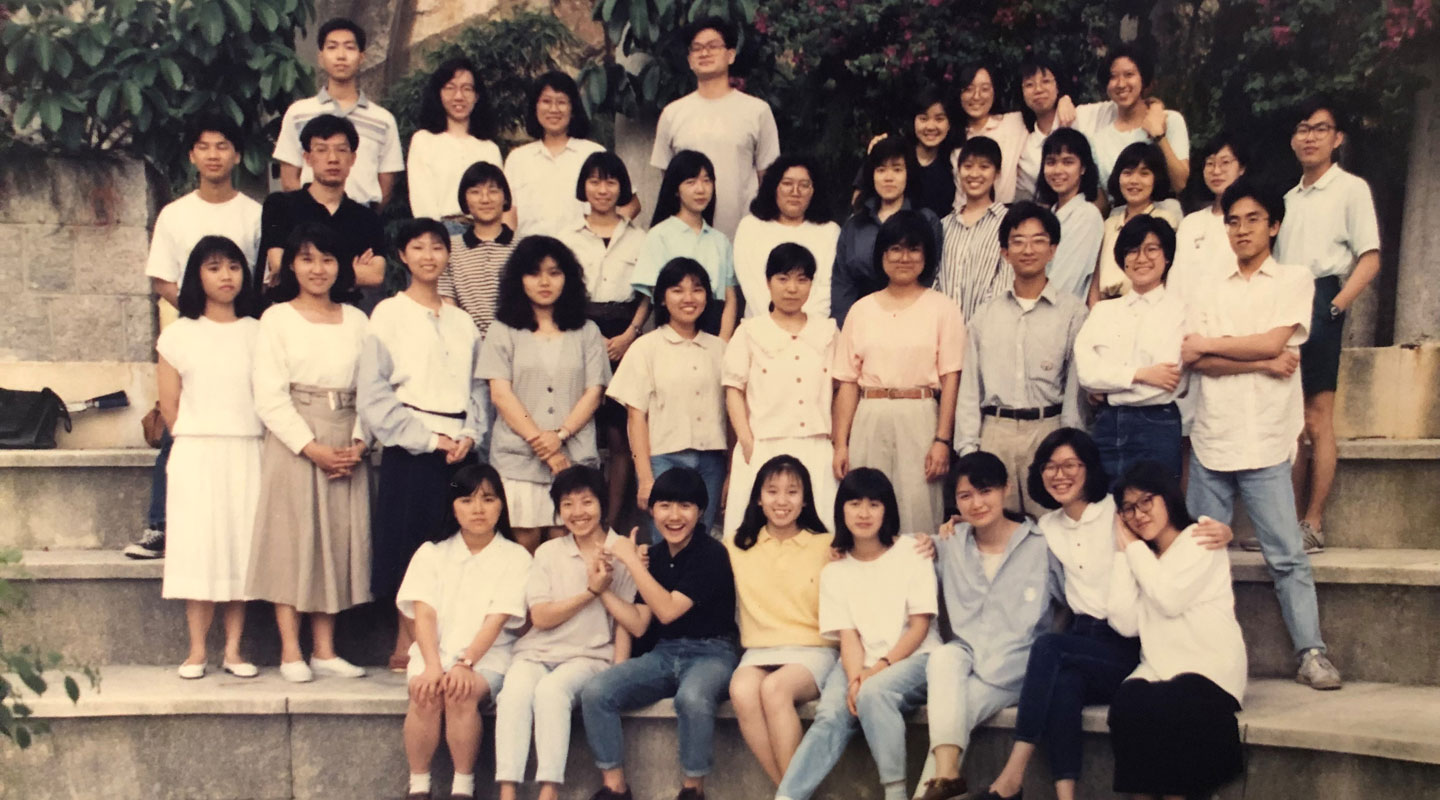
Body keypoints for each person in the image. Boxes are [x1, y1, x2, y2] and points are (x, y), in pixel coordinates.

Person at [973, 428, 1233, 800]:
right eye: (1049, 466)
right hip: (1081, 638)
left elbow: (1164, 524)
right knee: (1062, 685)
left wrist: (1219, 528)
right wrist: (959, 525)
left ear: (1089, 468)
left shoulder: (1119, 512)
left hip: (1122, 640)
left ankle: (1011, 778)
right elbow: (1002, 528)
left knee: (1048, 649)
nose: (1059, 475)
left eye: (1070, 465)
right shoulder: (1047, 526)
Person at [1181, 178, 1342, 690]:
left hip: (1268, 439)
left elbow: (1277, 341)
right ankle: (1194, 655)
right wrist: (1258, 358)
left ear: (1274, 226)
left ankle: (1311, 653)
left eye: (1253, 219)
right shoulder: (1205, 285)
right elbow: (1194, 357)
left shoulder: (1294, 279)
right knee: (1199, 556)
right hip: (1211, 436)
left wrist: (1222, 348)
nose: (1242, 229)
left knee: (1287, 556)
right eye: (1233, 220)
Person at [125, 115, 264, 561]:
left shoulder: (254, 213)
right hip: (189, 330)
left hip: (241, 329)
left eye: (223, 146)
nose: (213, 155)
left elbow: (261, 277)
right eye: (204, 147)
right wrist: (201, 310)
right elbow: (162, 278)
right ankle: (161, 525)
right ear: (192, 155)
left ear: (237, 154)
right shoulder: (176, 214)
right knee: (179, 421)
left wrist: (230, 312)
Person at [359, 218, 490, 673]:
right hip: (412, 446)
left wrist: (470, 435)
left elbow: (479, 385)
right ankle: (405, 638)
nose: (430, 255)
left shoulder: (462, 321)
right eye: (419, 247)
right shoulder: (388, 315)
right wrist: (429, 440)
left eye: (438, 247)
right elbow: (374, 393)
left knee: (453, 544)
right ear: (403, 255)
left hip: (460, 449)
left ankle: (448, 638)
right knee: (409, 545)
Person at [247, 224, 371, 683]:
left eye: (327, 259)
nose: (318, 269)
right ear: (291, 267)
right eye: (307, 259)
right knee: (294, 541)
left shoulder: (358, 320)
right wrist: (311, 447)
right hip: (296, 438)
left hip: (347, 431)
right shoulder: (277, 318)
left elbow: (373, 388)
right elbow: (268, 395)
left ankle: (325, 649)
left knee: (335, 542)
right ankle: (290, 651)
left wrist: (360, 441)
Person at [774, 468, 941, 800]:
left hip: (915, 658)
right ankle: (788, 797)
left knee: (872, 693)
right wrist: (854, 679)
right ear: (842, 510)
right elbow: (849, 637)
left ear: (887, 510)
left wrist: (875, 671)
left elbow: (920, 627)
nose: (864, 513)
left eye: (874, 504)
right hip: (859, 663)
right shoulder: (835, 571)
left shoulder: (913, 551)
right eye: (854, 503)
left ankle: (894, 794)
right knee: (831, 714)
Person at [579, 467, 740, 800]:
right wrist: (602, 589)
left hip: (713, 653)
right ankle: (615, 788)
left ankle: (692, 791)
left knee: (692, 698)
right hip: (665, 654)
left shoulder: (711, 553)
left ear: (700, 512)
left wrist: (632, 562)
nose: (674, 515)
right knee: (596, 692)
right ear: (652, 511)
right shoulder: (654, 555)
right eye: (665, 506)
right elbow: (640, 622)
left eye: (685, 506)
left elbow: (667, 610)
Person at [913, 453, 1057, 800]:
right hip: (968, 658)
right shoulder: (949, 543)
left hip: (1015, 670)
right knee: (944, 657)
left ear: (1006, 489)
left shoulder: (1042, 545)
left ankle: (935, 789)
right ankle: (948, 777)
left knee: (956, 712)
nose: (976, 504)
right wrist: (841, 550)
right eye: (965, 496)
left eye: (985, 491)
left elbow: (1077, 599)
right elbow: (891, 552)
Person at [1275, 97, 1382, 552]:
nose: (1310, 137)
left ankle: (1313, 522)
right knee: (1288, 422)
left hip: (1322, 298)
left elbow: (1370, 258)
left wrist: (1335, 307)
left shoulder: (1350, 189)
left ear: (1337, 138)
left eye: (1320, 129)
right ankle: (1286, 525)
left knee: (1317, 418)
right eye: (1303, 128)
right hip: (1284, 303)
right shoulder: (1286, 199)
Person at [495, 466, 640, 800]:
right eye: (567, 505)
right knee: (514, 692)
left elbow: (627, 623)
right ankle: (507, 792)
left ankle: (549, 791)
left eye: (586, 502)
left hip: (589, 656)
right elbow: (541, 616)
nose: (578, 513)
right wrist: (590, 592)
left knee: (551, 693)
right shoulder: (548, 552)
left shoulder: (621, 550)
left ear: (602, 503)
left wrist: (618, 671)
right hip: (538, 651)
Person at [1106, 463, 1247, 800]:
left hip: (1209, 670)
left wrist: (1135, 551)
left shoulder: (1200, 538)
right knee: (1127, 703)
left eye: (1146, 501)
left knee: (1172, 705)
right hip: (1159, 669)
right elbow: (1124, 622)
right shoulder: (1141, 558)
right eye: (1128, 508)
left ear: (1166, 498)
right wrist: (1123, 553)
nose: (1138, 514)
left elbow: (1168, 599)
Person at [157, 236, 263, 679]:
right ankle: (197, 649)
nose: (226, 276)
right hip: (197, 451)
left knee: (239, 549)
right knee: (198, 548)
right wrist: (198, 434)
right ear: (197, 276)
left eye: (234, 267)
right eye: (215, 267)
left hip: (248, 449)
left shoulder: (260, 331)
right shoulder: (178, 335)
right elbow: (169, 406)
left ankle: (234, 650)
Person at [398, 463, 532, 800]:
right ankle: (418, 787)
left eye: (488, 499)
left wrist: (465, 662)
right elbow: (423, 616)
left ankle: (463, 787)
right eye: (467, 500)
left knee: (460, 691)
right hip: (434, 650)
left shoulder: (516, 557)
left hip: (490, 655)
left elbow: (496, 620)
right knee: (425, 692)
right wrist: (432, 665)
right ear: (452, 506)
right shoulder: (431, 554)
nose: (477, 509)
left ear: (501, 504)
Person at [833, 211, 965, 536]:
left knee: (919, 511)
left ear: (926, 255)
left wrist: (942, 440)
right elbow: (848, 383)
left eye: (913, 249)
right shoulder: (861, 310)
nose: (903, 258)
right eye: (894, 249)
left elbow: (951, 380)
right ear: (881, 254)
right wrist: (840, 444)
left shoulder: (943, 308)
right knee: (867, 512)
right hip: (870, 415)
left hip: (920, 417)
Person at [478, 236, 611, 553]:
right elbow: (501, 394)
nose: (544, 282)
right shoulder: (502, 329)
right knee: (522, 549)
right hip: (517, 460)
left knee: (568, 548)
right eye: (534, 273)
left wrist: (561, 434)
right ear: (518, 279)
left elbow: (594, 392)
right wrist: (545, 444)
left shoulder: (587, 331)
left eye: (554, 272)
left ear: (568, 277)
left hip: (574, 458)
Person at [955, 202, 1087, 517]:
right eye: (1018, 241)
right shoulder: (984, 315)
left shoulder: (1073, 313)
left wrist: (1069, 447)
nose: (1028, 249)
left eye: (1039, 240)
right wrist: (969, 449)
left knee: (1053, 529)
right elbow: (970, 388)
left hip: (1049, 431)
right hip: (995, 433)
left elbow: (1075, 391)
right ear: (1004, 252)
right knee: (998, 534)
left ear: (1053, 249)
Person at [725, 456, 837, 786]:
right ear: (759, 498)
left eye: (792, 492)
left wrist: (926, 545)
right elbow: (695, 557)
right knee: (742, 690)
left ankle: (790, 794)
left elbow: (876, 552)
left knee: (775, 690)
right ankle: (789, 792)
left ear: (805, 500)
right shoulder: (736, 546)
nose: (782, 500)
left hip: (812, 649)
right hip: (760, 651)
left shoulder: (827, 545)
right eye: (772, 491)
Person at [555, 151, 649, 528]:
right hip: (579, 332)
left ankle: (611, 521)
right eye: (594, 181)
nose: (602, 189)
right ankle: (575, 514)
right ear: (584, 187)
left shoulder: (640, 238)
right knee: (579, 427)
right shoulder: (566, 237)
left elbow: (648, 295)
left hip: (625, 335)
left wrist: (630, 334)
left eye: (610, 181)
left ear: (622, 188)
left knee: (620, 433)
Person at [606, 258, 728, 542]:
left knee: (703, 542)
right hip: (664, 460)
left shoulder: (720, 349)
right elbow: (635, 418)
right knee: (665, 544)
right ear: (661, 298)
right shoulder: (646, 348)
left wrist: (732, 471)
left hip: (712, 461)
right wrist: (646, 477)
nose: (688, 298)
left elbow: (732, 415)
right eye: (677, 289)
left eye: (697, 289)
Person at [723, 244, 839, 539]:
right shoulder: (749, 331)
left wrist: (838, 441)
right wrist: (748, 442)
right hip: (764, 446)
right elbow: (733, 389)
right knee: (756, 536)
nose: (792, 288)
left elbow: (841, 390)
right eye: (783, 278)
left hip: (816, 447)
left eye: (802, 279)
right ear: (767, 282)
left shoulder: (828, 332)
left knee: (818, 535)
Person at [1075, 216, 1188, 481]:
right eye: (1133, 250)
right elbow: (1087, 375)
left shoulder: (1180, 311)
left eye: (1151, 249)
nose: (1141, 258)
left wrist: (1111, 382)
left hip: (1157, 425)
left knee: (1156, 508)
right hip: (1107, 424)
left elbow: (1168, 380)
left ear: (1167, 257)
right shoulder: (1103, 311)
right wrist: (1142, 374)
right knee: (1106, 509)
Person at [651, 16, 780, 238]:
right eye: (697, 48)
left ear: (730, 55)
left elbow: (767, 178)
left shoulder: (757, 111)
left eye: (713, 46)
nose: (704, 53)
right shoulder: (673, 114)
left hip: (744, 234)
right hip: (689, 237)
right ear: (689, 60)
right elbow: (669, 180)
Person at [259, 114, 388, 313]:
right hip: (289, 314)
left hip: (346, 314)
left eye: (341, 150)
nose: (332, 159)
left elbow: (376, 275)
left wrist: (307, 267)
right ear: (307, 158)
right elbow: (280, 266)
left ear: (353, 158)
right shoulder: (281, 205)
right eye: (322, 150)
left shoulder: (366, 217)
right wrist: (351, 272)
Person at [273, 17, 402, 208]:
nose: (341, 56)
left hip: (361, 217)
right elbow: (289, 178)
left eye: (349, 47)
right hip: (309, 218)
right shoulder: (298, 113)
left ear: (361, 56)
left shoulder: (383, 119)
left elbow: (387, 183)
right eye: (332, 47)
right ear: (321, 56)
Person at [505, 72, 638, 237]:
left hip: (583, 254)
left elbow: (631, 204)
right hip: (531, 254)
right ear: (535, 107)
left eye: (561, 102)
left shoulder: (593, 153)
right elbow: (508, 215)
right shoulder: (518, 159)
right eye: (546, 101)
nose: (554, 109)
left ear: (573, 109)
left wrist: (608, 236)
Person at [832, 136, 944, 327]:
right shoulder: (855, 225)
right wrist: (845, 327)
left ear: (908, 173)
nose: (889, 177)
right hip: (862, 323)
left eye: (897, 169)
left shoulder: (926, 220)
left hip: (912, 322)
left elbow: (931, 276)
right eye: (881, 169)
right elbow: (843, 281)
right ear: (872, 175)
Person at [631, 150, 739, 339]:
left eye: (707, 181)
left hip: (714, 332)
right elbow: (651, 295)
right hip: (674, 330)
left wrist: (723, 341)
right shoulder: (659, 235)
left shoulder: (720, 241)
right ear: (676, 188)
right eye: (691, 182)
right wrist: (631, 332)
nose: (701, 189)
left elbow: (730, 298)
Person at [734, 154, 841, 319]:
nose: (795, 192)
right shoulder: (750, 227)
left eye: (804, 185)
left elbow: (826, 289)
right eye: (787, 184)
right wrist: (777, 326)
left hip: (813, 332)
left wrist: (804, 328)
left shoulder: (829, 231)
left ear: (814, 190)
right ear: (774, 187)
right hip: (760, 328)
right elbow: (752, 287)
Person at [1072, 44, 1190, 192]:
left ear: (1143, 79)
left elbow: (1180, 184)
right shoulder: (1099, 138)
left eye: (1129, 75)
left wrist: (1159, 137)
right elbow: (1103, 198)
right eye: (1113, 77)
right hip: (1118, 214)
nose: (1121, 84)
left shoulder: (1170, 120)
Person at [955, 63, 1073, 205]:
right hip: (960, 217)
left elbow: (1043, 109)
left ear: (994, 91)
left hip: (1002, 216)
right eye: (968, 89)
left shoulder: (1014, 123)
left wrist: (1064, 99)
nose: (976, 96)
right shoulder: (951, 132)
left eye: (985, 89)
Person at [406, 58, 503, 223]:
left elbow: (498, 201)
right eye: (450, 88)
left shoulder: (490, 148)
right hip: (441, 232)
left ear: (477, 96)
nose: (459, 96)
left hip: (483, 232)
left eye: (467, 89)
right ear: (439, 94)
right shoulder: (423, 141)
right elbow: (422, 203)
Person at [1091, 142, 1183, 302]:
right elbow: (1095, 281)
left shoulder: (1166, 220)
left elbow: (1172, 277)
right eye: (1127, 173)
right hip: (1107, 310)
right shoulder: (1109, 225)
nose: (1134, 180)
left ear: (1156, 178)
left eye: (1144, 173)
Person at [935, 136, 1013, 322]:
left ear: (997, 173)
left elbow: (1004, 286)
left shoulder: (1008, 223)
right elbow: (934, 281)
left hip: (987, 334)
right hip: (943, 334)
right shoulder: (944, 225)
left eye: (984, 167)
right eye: (968, 166)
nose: (974, 174)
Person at [852, 86, 961, 218]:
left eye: (939, 119)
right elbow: (858, 200)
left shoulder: (955, 163)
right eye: (923, 119)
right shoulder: (893, 151)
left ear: (949, 124)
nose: (931, 126)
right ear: (913, 121)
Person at [441, 161, 517, 338]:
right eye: (475, 192)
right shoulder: (451, 249)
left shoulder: (523, 248)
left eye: (493, 191)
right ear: (465, 200)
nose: (485, 199)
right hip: (468, 342)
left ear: (505, 197)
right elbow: (448, 305)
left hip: (516, 342)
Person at [1171, 133, 1248, 300]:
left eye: (1225, 163)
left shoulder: (1250, 223)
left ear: (1242, 168)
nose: (1216, 171)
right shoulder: (1190, 223)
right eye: (1210, 164)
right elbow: (1176, 282)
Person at [1033, 128, 1104, 300]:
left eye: (1068, 162)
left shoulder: (1087, 216)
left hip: (1059, 314)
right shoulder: (1046, 216)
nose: (1058, 170)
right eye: (1051, 162)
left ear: (1083, 168)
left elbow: (1065, 281)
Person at [1015, 56, 1079, 203]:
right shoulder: (1027, 148)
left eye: (1046, 81)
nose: (1038, 90)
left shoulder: (1080, 117)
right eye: (1029, 85)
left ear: (1058, 86)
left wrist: (1066, 99)